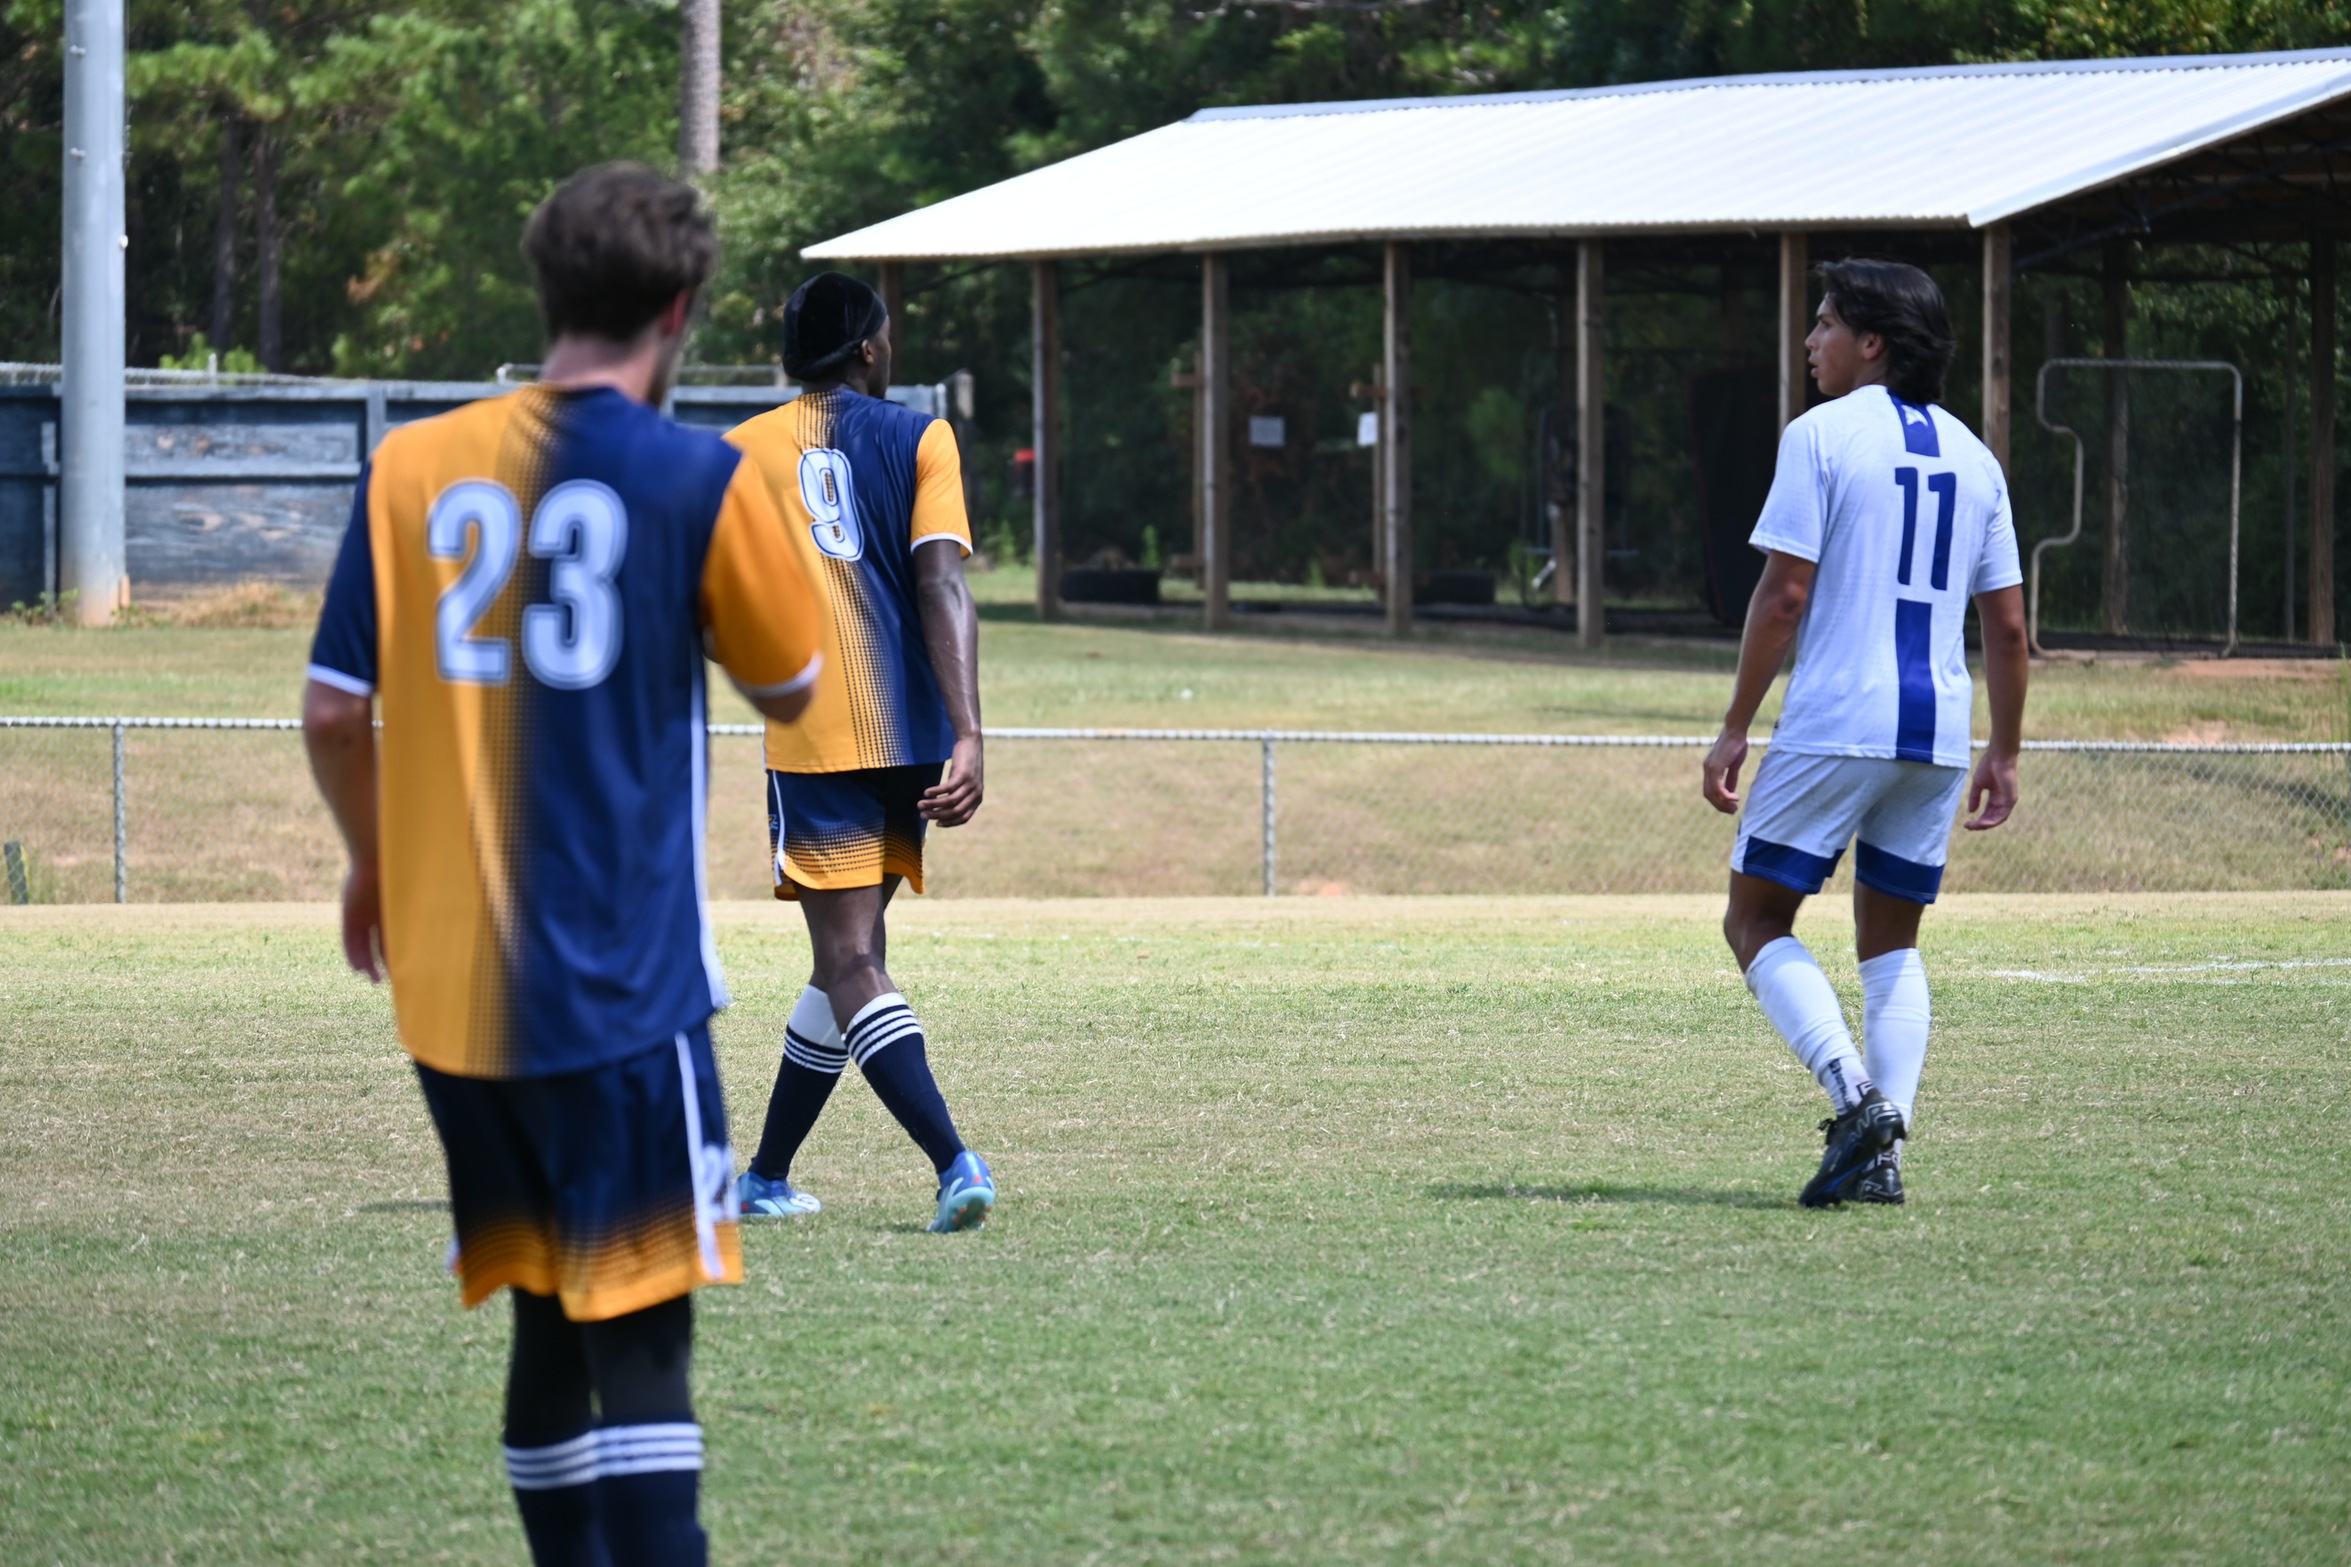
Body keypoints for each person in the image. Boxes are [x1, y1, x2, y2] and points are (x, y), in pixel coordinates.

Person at [301, 162, 824, 1565]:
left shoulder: (409, 465)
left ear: (545, 291)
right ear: (679, 306)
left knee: (542, 1313)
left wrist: (370, 862)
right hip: (620, 990)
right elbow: (795, 682)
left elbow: (334, 708)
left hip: (457, 1002)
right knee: (640, 1334)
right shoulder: (697, 477)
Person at [1701, 258, 2029, 1209]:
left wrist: (1733, 725)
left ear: (1870, 342)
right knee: (1890, 948)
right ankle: (1884, 1156)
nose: (1810, 342)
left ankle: (1855, 1104)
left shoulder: (1819, 436)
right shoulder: (1977, 458)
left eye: (1823, 324)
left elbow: (1784, 593)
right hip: (1936, 734)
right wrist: (2003, 751)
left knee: (1754, 918)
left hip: (1838, 719)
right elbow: (2007, 628)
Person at [726, 271, 995, 1234]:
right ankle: (761, 1174)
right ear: (871, 349)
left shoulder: (737, 453)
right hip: (913, 737)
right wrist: (967, 730)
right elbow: (941, 586)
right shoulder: (925, 435)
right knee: (850, 957)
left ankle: (954, 1162)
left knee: (847, 960)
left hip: (816, 735)